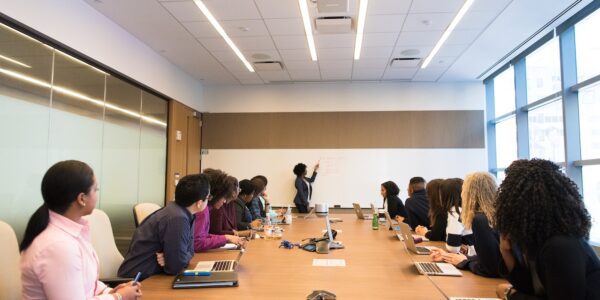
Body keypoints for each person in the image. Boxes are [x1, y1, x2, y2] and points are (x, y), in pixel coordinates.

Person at [20, 160, 141, 299]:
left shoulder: (71, 232)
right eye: (95, 190)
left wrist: (108, 291)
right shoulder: (58, 246)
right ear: (82, 198)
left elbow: (84, 282)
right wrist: (118, 297)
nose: (97, 194)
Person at [493, 159, 600, 299]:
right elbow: (534, 289)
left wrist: (511, 295)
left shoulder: (561, 245)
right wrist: (505, 252)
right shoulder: (538, 242)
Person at [118, 173, 210, 280]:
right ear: (199, 203)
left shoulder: (181, 213)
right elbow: (176, 267)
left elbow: (190, 252)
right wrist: (175, 259)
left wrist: (172, 258)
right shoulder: (178, 218)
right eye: (208, 197)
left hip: (151, 275)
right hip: (138, 281)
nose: (209, 200)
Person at [429, 172, 501, 278]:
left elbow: (489, 269)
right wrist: (455, 257)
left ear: (468, 193)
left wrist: (465, 262)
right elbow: (493, 258)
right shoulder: (497, 214)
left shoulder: (480, 219)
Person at [193, 169, 245, 252]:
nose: (224, 201)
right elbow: (197, 243)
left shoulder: (206, 208)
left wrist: (226, 237)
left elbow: (203, 236)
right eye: (223, 197)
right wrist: (225, 238)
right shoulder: (202, 210)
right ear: (215, 195)